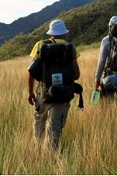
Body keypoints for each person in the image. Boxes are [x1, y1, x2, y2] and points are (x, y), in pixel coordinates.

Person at [27, 19, 80, 151]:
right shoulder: (70, 48)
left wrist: (31, 92)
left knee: (39, 122)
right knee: (55, 127)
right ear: (64, 33)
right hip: (62, 94)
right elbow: (77, 74)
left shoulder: (40, 45)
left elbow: (31, 72)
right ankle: (51, 156)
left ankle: (38, 150)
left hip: (43, 93)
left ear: (50, 33)